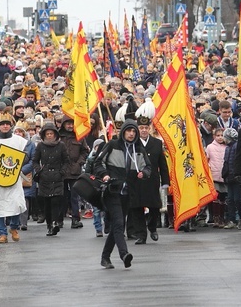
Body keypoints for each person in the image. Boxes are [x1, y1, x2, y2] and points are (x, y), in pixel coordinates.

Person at [94, 119, 152, 269]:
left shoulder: (139, 149)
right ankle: (124, 254)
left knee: (117, 226)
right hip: (112, 190)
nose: (131, 134)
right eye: (129, 131)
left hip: (128, 193)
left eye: (134, 131)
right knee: (119, 223)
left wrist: (144, 173)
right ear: (123, 132)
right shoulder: (112, 145)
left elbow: (148, 166)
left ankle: (105, 257)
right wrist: (104, 174)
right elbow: (98, 162)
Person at [0, 115, 31, 244]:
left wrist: (16, 160)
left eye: (7, 124)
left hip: (13, 177)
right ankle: (2, 233)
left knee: (15, 203)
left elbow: (25, 156)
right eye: (2, 124)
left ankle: (14, 228)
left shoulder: (19, 141)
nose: (5, 126)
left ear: (11, 126)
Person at [128, 107, 169, 244]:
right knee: (137, 208)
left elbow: (162, 164)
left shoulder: (157, 143)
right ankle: (141, 234)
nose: (144, 130)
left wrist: (165, 181)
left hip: (152, 180)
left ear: (150, 128)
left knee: (155, 206)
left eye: (146, 127)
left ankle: (152, 227)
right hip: (136, 181)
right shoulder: (132, 144)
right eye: (141, 127)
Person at [32, 122, 69, 236]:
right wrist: (39, 171)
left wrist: (62, 172)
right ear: (44, 135)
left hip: (57, 176)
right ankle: (49, 225)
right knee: (47, 203)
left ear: (55, 134)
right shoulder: (40, 146)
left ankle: (55, 222)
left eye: (51, 133)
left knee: (56, 201)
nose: (49, 136)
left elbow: (66, 160)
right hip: (45, 177)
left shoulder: (61, 145)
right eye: (47, 134)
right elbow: (35, 160)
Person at [59, 118, 89, 229]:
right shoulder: (58, 136)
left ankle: (76, 219)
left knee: (74, 196)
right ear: (63, 124)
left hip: (75, 170)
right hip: (61, 170)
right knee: (61, 196)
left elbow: (85, 151)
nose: (70, 126)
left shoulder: (79, 136)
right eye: (68, 124)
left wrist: (79, 163)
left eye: (72, 124)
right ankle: (59, 220)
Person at [205, 127, 228, 228]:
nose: (220, 138)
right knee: (215, 197)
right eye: (218, 136)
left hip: (224, 175)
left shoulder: (227, 147)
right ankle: (216, 218)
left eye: (222, 135)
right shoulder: (210, 147)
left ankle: (222, 217)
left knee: (223, 197)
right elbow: (206, 160)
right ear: (214, 136)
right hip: (214, 175)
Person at [220, 127, 241, 229]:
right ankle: (232, 219)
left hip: (235, 177)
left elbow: (235, 162)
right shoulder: (228, 148)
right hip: (229, 177)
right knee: (230, 199)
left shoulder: (235, 147)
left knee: (237, 199)